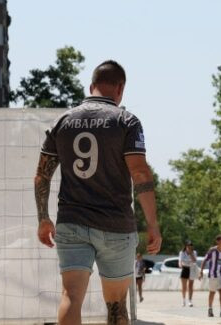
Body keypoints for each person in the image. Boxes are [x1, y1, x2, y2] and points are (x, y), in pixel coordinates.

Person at [35, 60, 162, 325]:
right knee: (116, 304)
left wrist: (43, 218)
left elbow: (42, 175)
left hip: (72, 222)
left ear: (91, 85)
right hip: (115, 225)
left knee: (71, 296)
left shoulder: (63, 121)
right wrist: (152, 224)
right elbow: (140, 174)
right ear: (120, 88)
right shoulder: (126, 121)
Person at [178, 240, 197, 307]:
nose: (190, 247)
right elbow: (180, 261)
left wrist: (191, 253)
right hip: (185, 268)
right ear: (186, 246)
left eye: (191, 245)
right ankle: (183, 300)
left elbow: (194, 260)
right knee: (184, 286)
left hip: (191, 268)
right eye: (188, 245)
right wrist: (180, 265)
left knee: (190, 286)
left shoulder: (194, 252)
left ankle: (190, 300)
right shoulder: (182, 252)